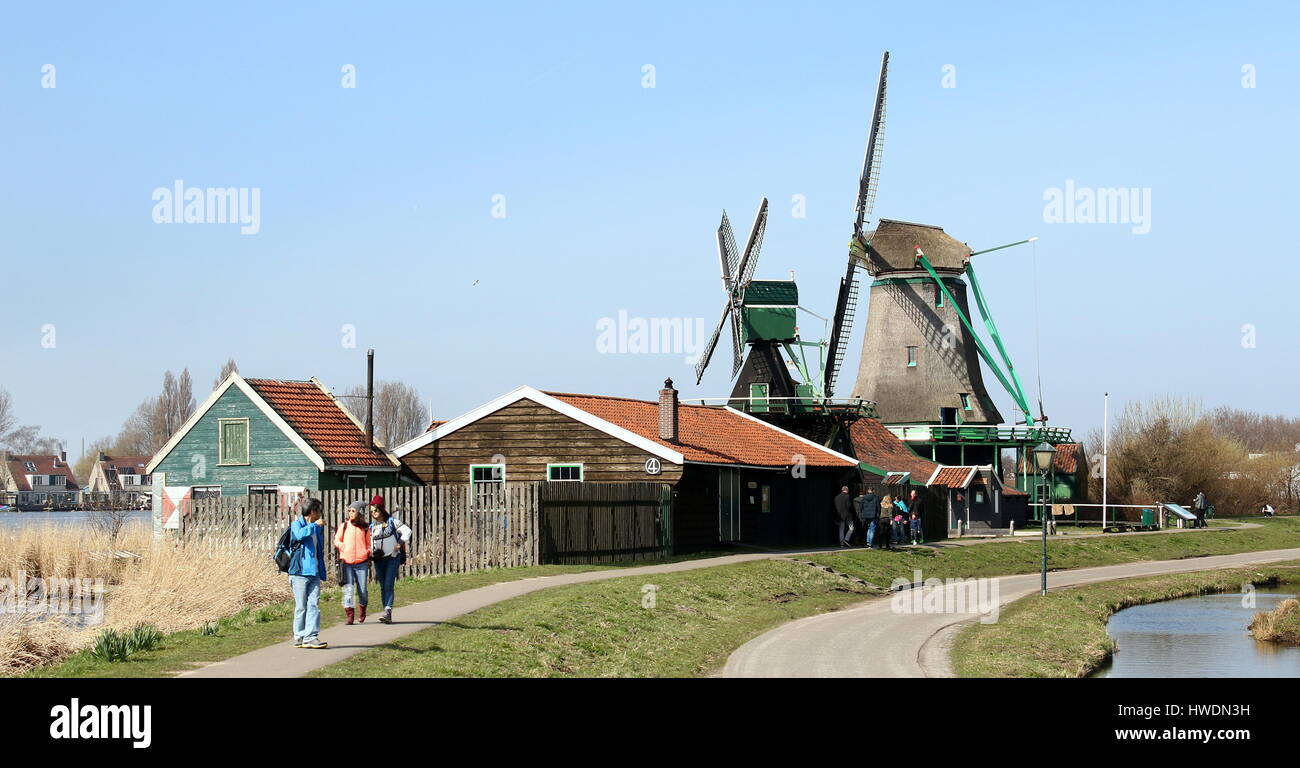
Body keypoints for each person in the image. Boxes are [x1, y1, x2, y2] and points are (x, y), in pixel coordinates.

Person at [289, 497, 328, 649]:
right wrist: (313, 526)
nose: (320, 514)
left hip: (314, 571)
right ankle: (299, 636)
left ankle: (311, 636)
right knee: (301, 606)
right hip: (299, 572)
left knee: (314, 605)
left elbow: (319, 549)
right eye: (319, 510)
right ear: (313, 511)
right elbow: (299, 535)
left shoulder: (318, 528)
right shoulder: (297, 524)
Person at [369, 495, 412, 624]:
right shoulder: (372, 527)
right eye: (371, 511)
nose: (374, 513)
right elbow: (370, 543)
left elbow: (407, 531)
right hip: (379, 560)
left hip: (392, 557)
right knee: (383, 585)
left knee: (389, 583)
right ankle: (386, 611)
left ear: (381, 509)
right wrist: (372, 552)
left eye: (375, 510)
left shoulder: (393, 522)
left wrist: (399, 543)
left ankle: (388, 610)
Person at [334, 500, 372, 625]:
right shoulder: (344, 526)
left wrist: (367, 551)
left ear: (359, 513)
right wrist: (343, 547)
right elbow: (336, 540)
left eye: (353, 511)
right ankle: (350, 615)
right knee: (348, 589)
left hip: (362, 563)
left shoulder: (365, 527)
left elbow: (369, 544)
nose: (350, 513)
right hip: (347, 562)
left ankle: (362, 609)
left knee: (362, 590)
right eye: (349, 510)